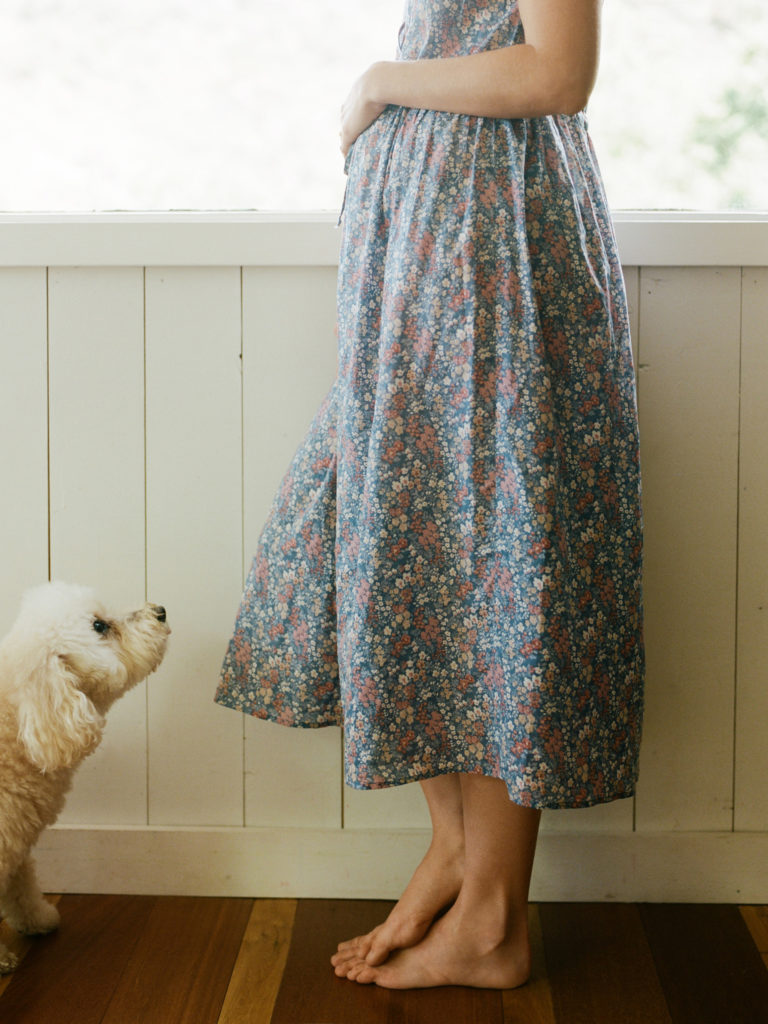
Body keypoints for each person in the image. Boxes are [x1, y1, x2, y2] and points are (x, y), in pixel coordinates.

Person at [215, 0, 644, 991]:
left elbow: (555, 71)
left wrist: (379, 80)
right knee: (416, 542)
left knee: (484, 550)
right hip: (436, 248)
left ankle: (493, 920)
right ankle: (457, 853)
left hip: (490, 254)